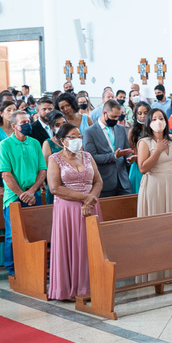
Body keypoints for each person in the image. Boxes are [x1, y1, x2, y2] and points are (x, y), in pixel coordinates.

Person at [45, 123, 102, 301]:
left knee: (90, 245)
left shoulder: (87, 156)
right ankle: (70, 288)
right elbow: (54, 188)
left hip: (91, 205)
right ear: (63, 140)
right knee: (71, 245)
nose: (78, 140)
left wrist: (90, 199)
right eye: (73, 137)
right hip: (68, 208)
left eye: (79, 137)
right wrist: (84, 198)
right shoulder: (55, 159)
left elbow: (98, 181)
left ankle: (93, 286)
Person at [0, 109, 47, 275]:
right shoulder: (5, 145)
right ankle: (13, 269)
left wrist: (32, 191)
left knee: (34, 232)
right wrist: (21, 194)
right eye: (23, 123)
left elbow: (42, 170)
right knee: (13, 234)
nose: (28, 125)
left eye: (28, 121)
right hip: (13, 196)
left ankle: (33, 265)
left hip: (33, 195)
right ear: (14, 126)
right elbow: (6, 174)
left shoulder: (34, 143)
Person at [83, 100, 134, 198]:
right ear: (104, 113)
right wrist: (114, 156)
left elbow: (126, 149)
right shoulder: (89, 132)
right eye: (113, 117)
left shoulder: (120, 129)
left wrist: (129, 158)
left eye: (118, 116)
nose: (116, 119)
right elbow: (92, 157)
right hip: (104, 182)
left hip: (123, 181)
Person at [135, 108, 172, 218]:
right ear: (149, 123)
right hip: (155, 183)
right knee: (156, 216)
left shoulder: (171, 139)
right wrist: (158, 151)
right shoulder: (145, 142)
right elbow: (143, 169)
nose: (158, 122)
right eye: (154, 119)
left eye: (161, 118)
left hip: (171, 181)